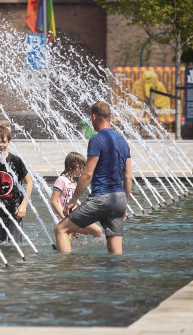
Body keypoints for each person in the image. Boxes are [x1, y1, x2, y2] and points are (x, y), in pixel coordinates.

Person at [54, 101, 133, 254]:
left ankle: (66, 271)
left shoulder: (97, 140)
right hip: (119, 200)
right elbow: (128, 177)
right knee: (115, 250)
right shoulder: (123, 142)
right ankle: (118, 277)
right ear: (110, 117)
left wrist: (73, 200)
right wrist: (124, 205)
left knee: (61, 229)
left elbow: (88, 174)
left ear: (94, 117)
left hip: (101, 198)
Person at [0, 125, 33, 243]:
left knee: (15, 245)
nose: (1, 145)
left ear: (9, 142)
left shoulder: (15, 161)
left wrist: (24, 205)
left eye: (4, 141)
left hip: (16, 208)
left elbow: (29, 182)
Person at [51, 152, 103, 239]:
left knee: (97, 231)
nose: (83, 170)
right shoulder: (61, 179)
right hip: (62, 219)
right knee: (65, 248)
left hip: (73, 219)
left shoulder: (74, 182)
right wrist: (63, 217)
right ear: (76, 166)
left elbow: (73, 203)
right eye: (82, 167)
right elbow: (54, 201)